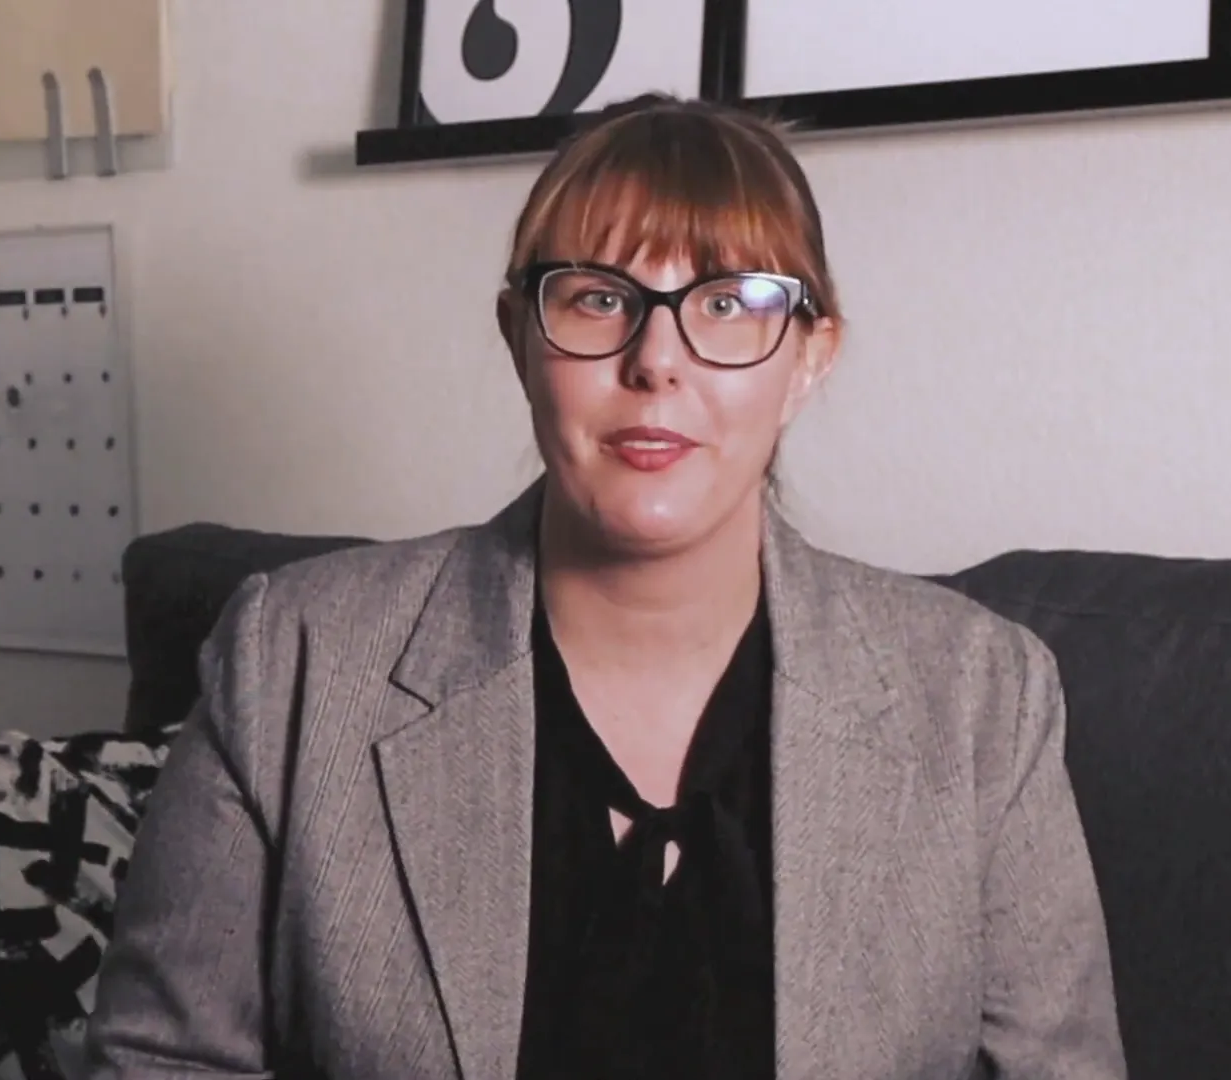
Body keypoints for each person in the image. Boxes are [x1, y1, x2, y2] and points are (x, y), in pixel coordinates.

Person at [84, 94, 1126, 1080]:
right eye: (598, 298)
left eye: (728, 303)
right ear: (519, 337)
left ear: (809, 357)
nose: (657, 358)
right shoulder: (292, 660)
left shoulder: (984, 699)